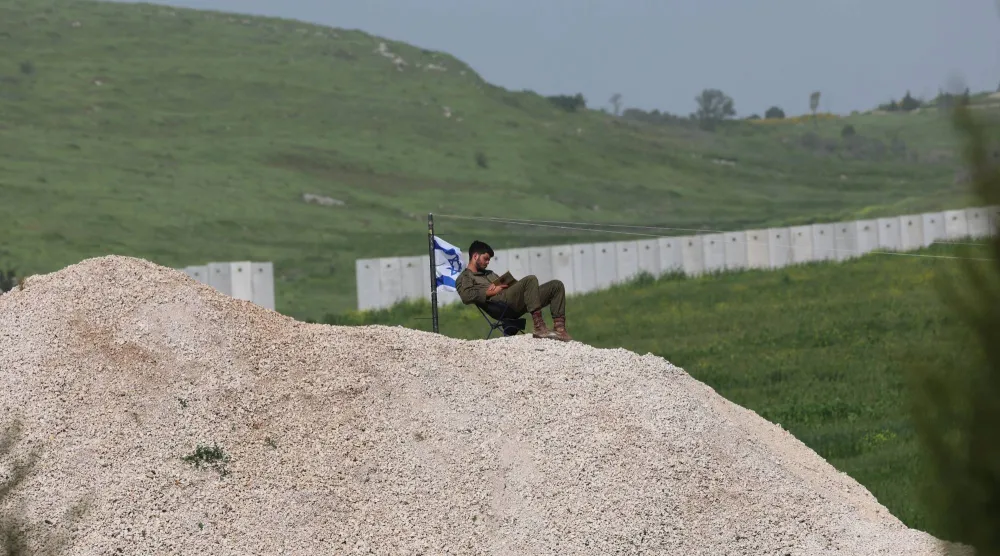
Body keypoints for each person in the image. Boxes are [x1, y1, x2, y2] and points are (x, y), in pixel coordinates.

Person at [455, 240, 572, 342]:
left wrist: (511, 284)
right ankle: (539, 327)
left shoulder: (489, 274)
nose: (487, 262)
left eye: (489, 260)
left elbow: (507, 287)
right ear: (475, 256)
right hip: (500, 306)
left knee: (556, 286)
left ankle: (560, 329)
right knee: (530, 279)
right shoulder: (465, 277)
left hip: (513, 300)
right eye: (485, 259)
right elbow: (466, 296)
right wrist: (490, 292)